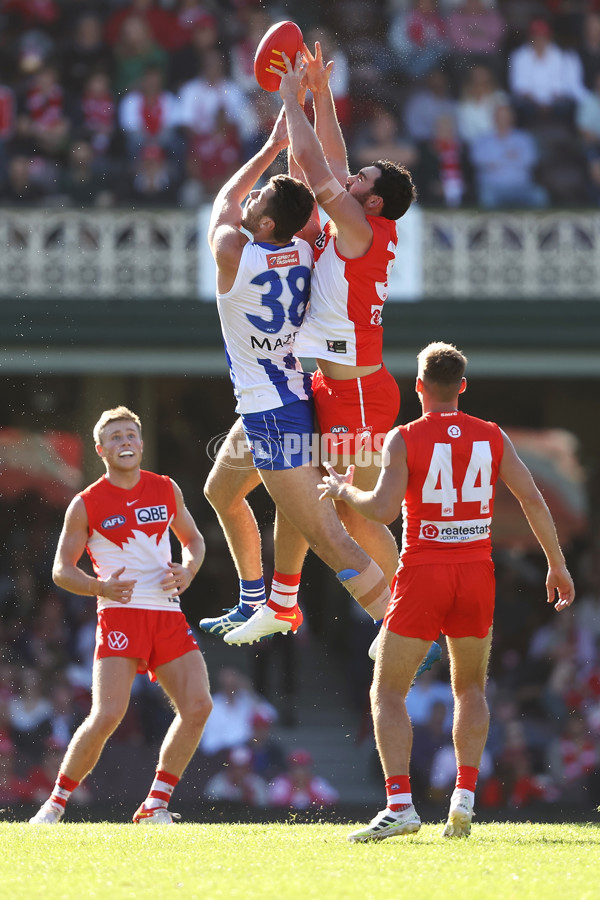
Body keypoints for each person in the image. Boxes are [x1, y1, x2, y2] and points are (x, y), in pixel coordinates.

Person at [204, 45, 429, 656]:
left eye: (360, 182)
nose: (349, 177)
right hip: (325, 383)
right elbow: (329, 157)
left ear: (372, 203)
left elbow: (310, 160)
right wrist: (320, 93)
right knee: (295, 499)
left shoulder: (354, 229)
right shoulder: (341, 226)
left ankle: (405, 607)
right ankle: (277, 600)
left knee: (350, 516)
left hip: (356, 392)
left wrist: (287, 100)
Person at [318, 341, 575, 841]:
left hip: (424, 571)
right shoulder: (491, 436)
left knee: (388, 690)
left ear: (418, 386)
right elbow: (532, 497)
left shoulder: (405, 437)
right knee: (471, 688)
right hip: (476, 571)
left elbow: (383, 511)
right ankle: (463, 796)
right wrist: (556, 564)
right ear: (462, 386)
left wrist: (343, 490)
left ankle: (400, 806)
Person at [28, 406, 211, 825]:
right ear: (101, 449)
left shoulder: (165, 488)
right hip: (121, 614)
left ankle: (155, 805)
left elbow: (194, 539)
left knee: (199, 706)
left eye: (131, 435)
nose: (125, 441)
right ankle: (54, 805)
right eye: (115, 437)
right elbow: (61, 570)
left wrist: (189, 568)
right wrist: (99, 586)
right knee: (108, 714)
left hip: (166, 613)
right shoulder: (86, 503)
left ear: (142, 444)